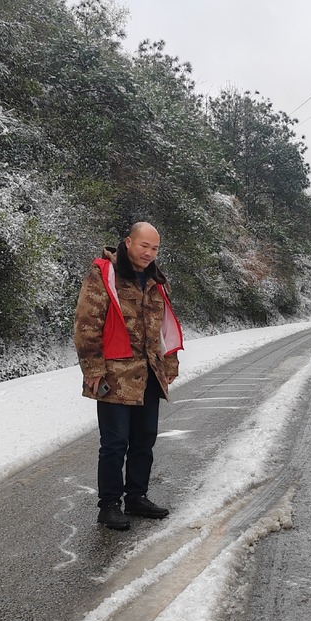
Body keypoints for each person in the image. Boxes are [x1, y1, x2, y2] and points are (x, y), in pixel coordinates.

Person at [74, 222, 183, 530]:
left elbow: (164, 327)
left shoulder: (154, 280)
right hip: (114, 375)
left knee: (144, 440)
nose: (149, 253)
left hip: (149, 373)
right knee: (114, 443)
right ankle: (109, 505)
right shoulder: (104, 275)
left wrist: (169, 365)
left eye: (155, 248)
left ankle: (136, 497)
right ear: (128, 243)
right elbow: (86, 324)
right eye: (144, 245)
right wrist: (93, 369)